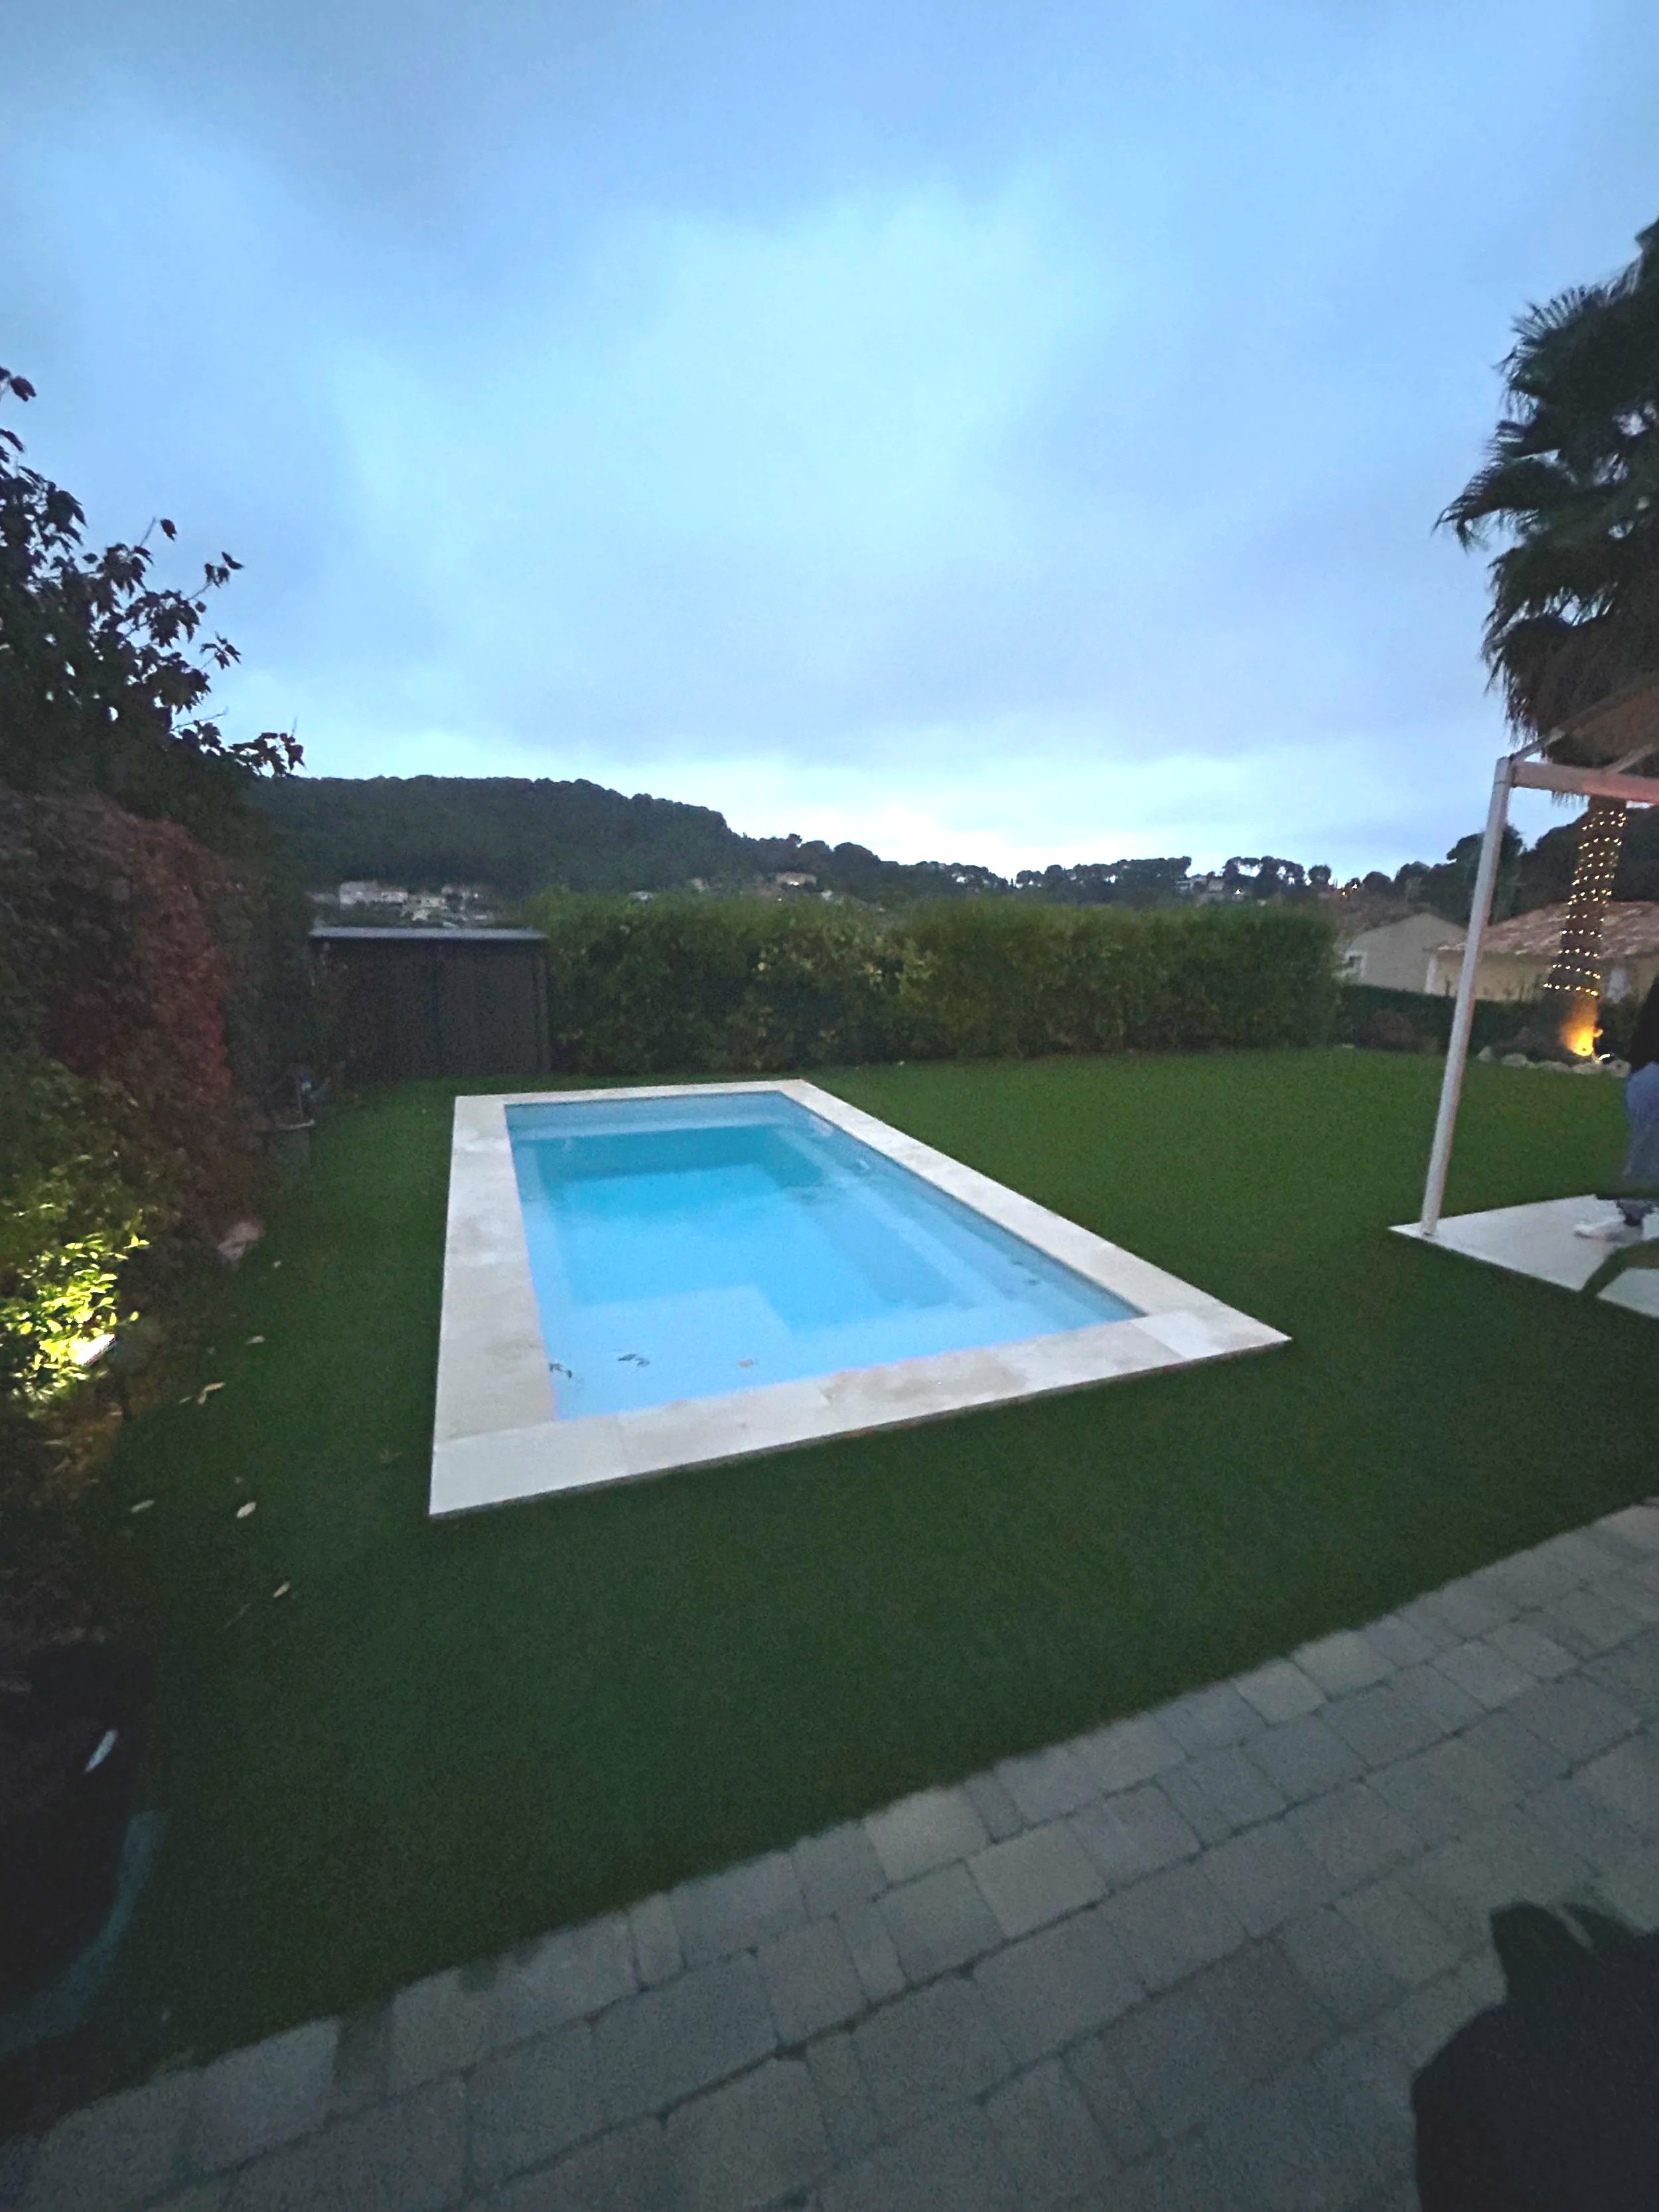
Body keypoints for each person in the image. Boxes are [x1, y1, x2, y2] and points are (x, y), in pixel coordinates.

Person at [1576, 976, 1659, 1240]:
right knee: (1646, 1141)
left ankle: (1632, 1219)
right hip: (1648, 1064)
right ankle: (1631, 1221)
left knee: (1647, 1144)